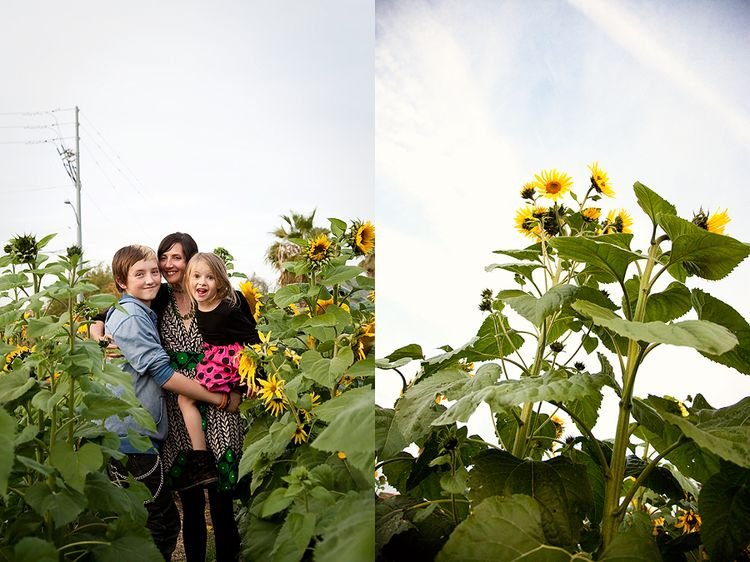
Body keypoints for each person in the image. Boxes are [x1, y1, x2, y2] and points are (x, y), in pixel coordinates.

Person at [104, 244, 240, 561]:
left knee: (164, 517)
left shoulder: (153, 306)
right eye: (142, 273)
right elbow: (163, 372)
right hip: (132, 434)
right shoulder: (134, 317)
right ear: (122, 281)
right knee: (161, 523)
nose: (153, 277)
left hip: (145, 431)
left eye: (155, 271)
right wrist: (221, 399)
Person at [178, 252, 259, 455]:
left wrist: (256, 377)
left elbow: (252, 337)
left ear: (220, 282)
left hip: (232, 361)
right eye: (196, 276)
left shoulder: (227, 309)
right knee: (186, 399)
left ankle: (200, 456)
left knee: (184, 399)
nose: (202, 282)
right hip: (214, 358)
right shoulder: (197, 305)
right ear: (188, 280)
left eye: (210, 277)